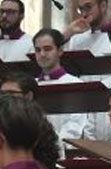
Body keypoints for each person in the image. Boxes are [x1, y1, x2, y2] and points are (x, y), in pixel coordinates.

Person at [32, 28, 85, 156]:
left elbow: (75, 126)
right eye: (38, 50)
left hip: (63, 154)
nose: (42, 54)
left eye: (48, 49)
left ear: (60, 51)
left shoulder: (75, 84)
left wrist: (53, 148)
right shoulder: (30, 85)